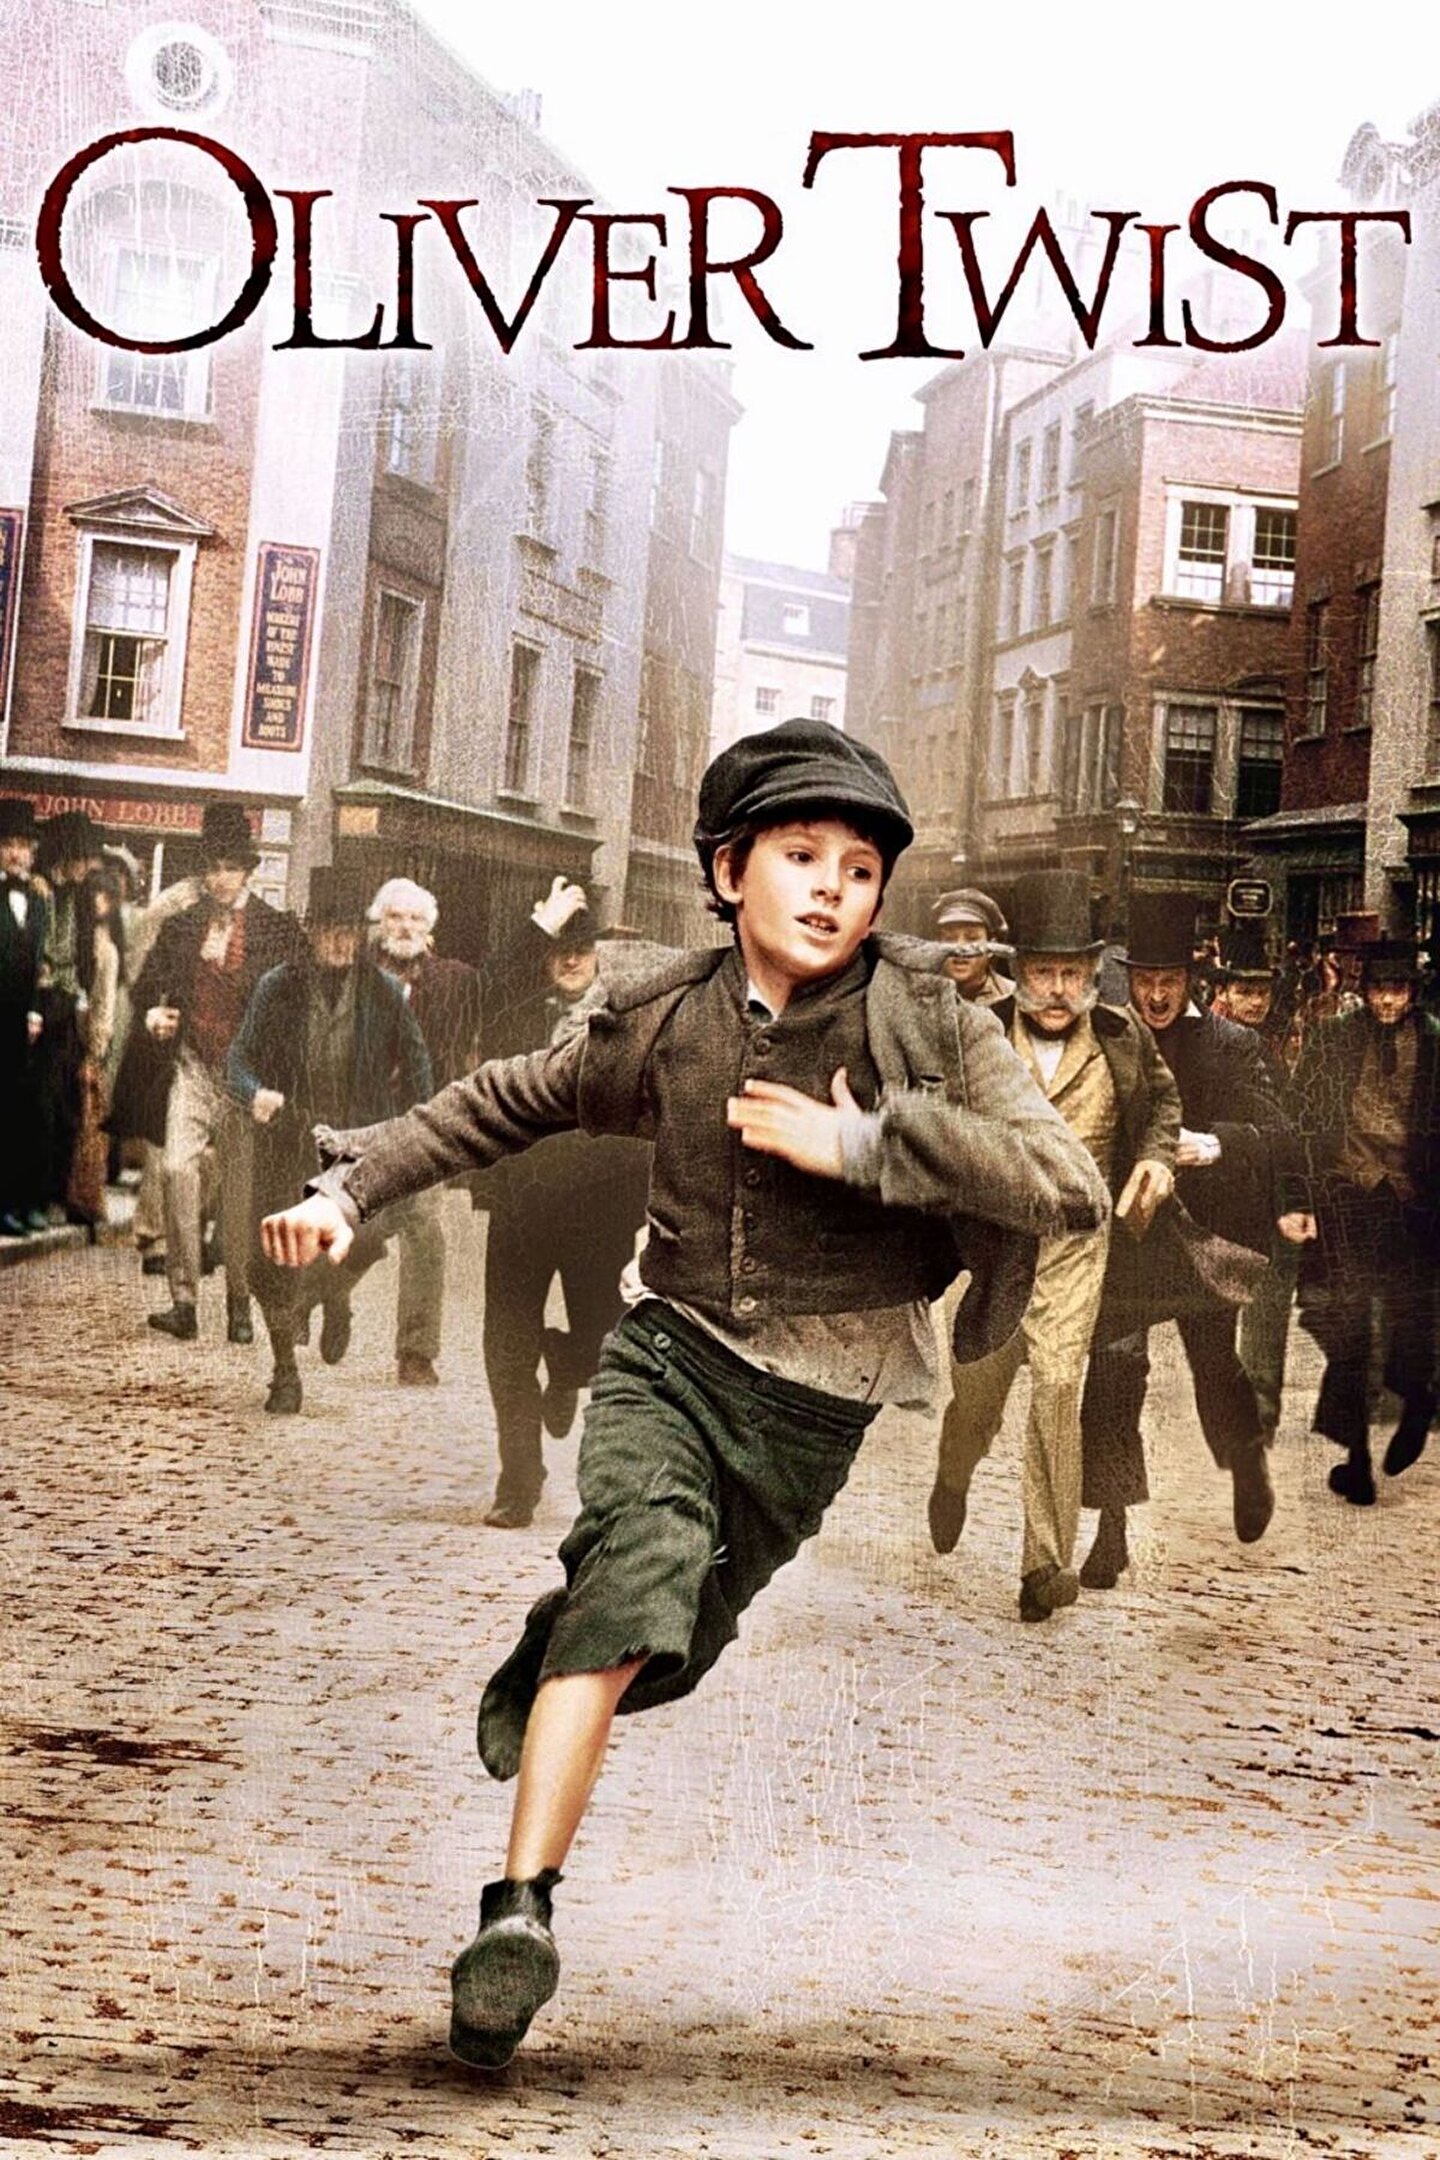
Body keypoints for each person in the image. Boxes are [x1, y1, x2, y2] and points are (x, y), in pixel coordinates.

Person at [260, 717, 1109, 2068]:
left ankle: (564, 1655)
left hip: (821, 1405)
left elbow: (1069, 1183)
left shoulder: (933, 1020)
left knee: (675, 1642)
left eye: (861, 869)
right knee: (636, 1581)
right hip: (671, 1354)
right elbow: (499, 1101)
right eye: (800, 856)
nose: (833, 888)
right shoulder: (663, 1016)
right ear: (727, 872)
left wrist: (873, 1142)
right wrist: (346, 1188)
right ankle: (518, 1917)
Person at [927, 869, 1179, 1619]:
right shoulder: (979, 1035)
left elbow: (1163, 1104)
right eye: (1043, 973)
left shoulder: (1121, 1037)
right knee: (977, 1396)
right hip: (999, 1249)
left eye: (1073, 974)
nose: (1059, 990)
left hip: (1079, 1245)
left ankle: (1044, 1564)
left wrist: (1156, 1160)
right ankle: (954, 1473)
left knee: (1060, 1390)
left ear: (1094, 975)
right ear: (1020, 972)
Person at [1079, 890, 1285, 1589]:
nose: (1158, 996)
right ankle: (1111, 1529)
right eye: (1146, 981)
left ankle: (1246, 1461)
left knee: (1213, 1366)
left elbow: (1277, 1136)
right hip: (1128, 1235)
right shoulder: (1104, 1038)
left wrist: (1214, 1144)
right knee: (1112, 1376)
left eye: (1169, 981)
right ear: (1130, 979)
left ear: (1191, 980)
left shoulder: (1232, 1045)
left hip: (1202, 1238)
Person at [476, 879, 649, 1528]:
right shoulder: (520, 1015)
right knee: (506, 1344)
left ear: (603, 953)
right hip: (522, 1202)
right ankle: (518, 1480)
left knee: (605, 1341)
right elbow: (482, 995)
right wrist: (535, 929)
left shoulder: (627, 1019)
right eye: (560, 947)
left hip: (601, 1208)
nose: (572, 959)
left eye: (585, 946)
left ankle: (566, 1362)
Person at [229, 864, 433, 1414]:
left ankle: (334, 1296)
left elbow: (417, 1066)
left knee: (363, 1240)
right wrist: (255, 1093)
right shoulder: (278, 986)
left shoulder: (383, 992)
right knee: (275, 1258)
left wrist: (415, 1130)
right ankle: (284, 1372)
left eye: (349, 932)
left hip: (354, 1145)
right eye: (329, 931)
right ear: (311, 932)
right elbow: (239, 1059)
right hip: (288, 1140)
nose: (341, 943)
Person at [121, 803, 305, 1344]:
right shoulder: (182, 925)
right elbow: (146, 987)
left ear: (247, 871)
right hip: (193, 1068)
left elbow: (297, 1007)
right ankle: (184, 1300)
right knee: (177, 1168)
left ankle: (239, 1302)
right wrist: (154, 1014)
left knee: (240, 1194)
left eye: (229, 867)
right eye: (212, 867)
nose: (219, 878)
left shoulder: (276, 929)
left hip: (245, 1078)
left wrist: (274, 1080)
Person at [1282, 935, 1440, 1505]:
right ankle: (1357, 1460)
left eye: (1398, 990)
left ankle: (1418, 1399)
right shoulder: (1332, 1040)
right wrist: (1297, 1198)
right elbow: (1298, 1120)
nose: (1388, 1001)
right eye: (1379, 989)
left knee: (1411, 1324)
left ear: (1413, 992)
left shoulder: (1435, 1044)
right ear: (1364, 990)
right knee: (1344, 1325)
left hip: (1415, 1206)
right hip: (1347, 1199)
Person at [369, 876, 484, 1386]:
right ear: (379, 924)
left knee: (423, 1227)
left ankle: (416, 1352)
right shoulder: (354, 978)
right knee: (358, 1229)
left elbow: (475, 1038)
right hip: (361, 1120)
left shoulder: (454, 980)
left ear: (429, 929)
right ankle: (318, 1298)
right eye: (395, 917)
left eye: (415, 918)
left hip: (425, 1122)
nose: (405, 927)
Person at [1217, 922, 1301, 1439]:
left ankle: (1257, 1410)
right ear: (1225, 991)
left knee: (1269, 1305)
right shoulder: (1212, 1041)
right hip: (1227, 1189)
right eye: (1245, 991)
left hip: (1274, 1190)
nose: (1256, 1002)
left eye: (1263, 992)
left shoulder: (1274, 1040)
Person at [0, 799, 50, 1237]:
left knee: (20, 1112)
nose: (17, 854)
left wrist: (35, 1007)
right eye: (8, 845)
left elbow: (36, 962)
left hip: (21, 1025)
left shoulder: (37, 900)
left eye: (23, 845)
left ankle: (17, 1199)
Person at [930, 887, 1013, 1005]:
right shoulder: (918, 996)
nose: (960, 949)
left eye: (972, 938)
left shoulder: (1012, 997)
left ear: (991, 947)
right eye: (950, 939)